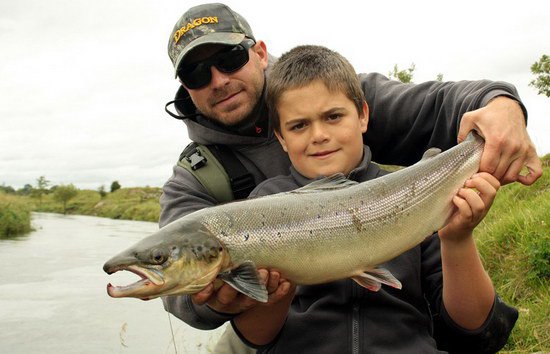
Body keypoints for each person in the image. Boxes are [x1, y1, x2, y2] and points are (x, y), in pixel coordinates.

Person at [159, 2, 540, 349]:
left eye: (228, 58)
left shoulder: (330, 86)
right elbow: (177, 294)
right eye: (195, 73)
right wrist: (216, 296)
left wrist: (500, 104)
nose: (218, 79)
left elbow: (440, 105)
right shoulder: (197, 176)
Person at [229, 44, 518, 353]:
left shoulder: (417, 194)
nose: (318, 135)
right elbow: (256, 337)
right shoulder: (264, 204)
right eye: (299, 125)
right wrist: (276, 292)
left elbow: (474, 327)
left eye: (333, 116)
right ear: (282, 139)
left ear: (363, 115)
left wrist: (457, 239)